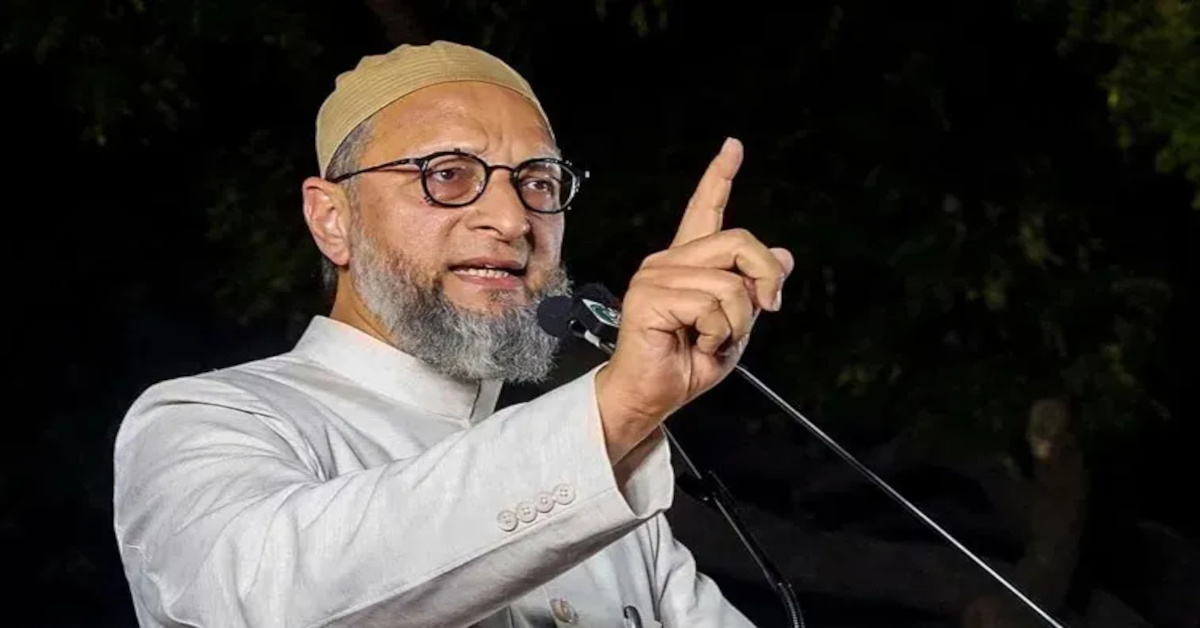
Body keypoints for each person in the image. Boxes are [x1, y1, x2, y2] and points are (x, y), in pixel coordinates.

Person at [112, 40, 792, 627]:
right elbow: (256, 599)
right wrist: (617, 408)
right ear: (332, 219)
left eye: (537, 182)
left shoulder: (615, 509)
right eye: (447, 175)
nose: (512, 219)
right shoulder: (211, 418)